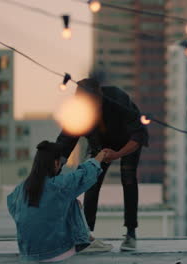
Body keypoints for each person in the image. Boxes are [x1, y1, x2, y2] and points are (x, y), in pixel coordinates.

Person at [56, 78, 148, 252]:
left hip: (128, 141)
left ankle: (131, 233)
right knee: (92, 180)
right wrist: (52, 168)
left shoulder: (118, 102)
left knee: (128, 179)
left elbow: (138, 135)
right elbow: (65, 141)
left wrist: (118, 154)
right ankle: (87, 234)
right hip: (100, 143)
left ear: (98, 99)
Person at [7, 141, 112, 262]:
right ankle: (85, 241)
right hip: (56, 252)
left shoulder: (20, 189)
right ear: (56, 163)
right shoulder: (59, 185)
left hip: (27, 253)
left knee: (62, 200)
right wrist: (99, 157)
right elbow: (84, 174)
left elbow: (12, 206)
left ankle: (86, 240)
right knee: (72, 201)